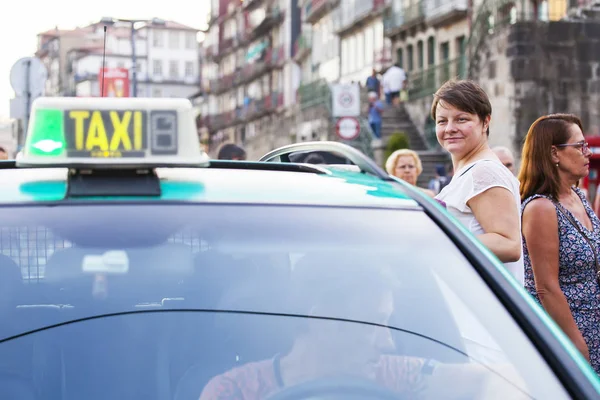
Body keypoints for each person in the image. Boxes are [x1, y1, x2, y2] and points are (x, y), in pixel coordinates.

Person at [199, 252, 526, 400]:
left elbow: (505, 379)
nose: (387, 343)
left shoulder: (393, 374)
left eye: (387, 323)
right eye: (372, 325)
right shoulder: (233, 392)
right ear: (324, 322)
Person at [518, 113, 600, 373]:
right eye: (579, 146)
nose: (586, 152)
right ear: (554, 154)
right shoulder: (541, 208)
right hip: (570, 331)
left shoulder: (577, 195)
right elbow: (547, 288)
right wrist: (577, 346)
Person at [432, 80, 523, 285]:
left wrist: (436, 239)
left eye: (462, 119)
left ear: (485, 122)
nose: (450, 128)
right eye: (442, 121)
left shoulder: (484, 172)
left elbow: (509, 245)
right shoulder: (470, 172)